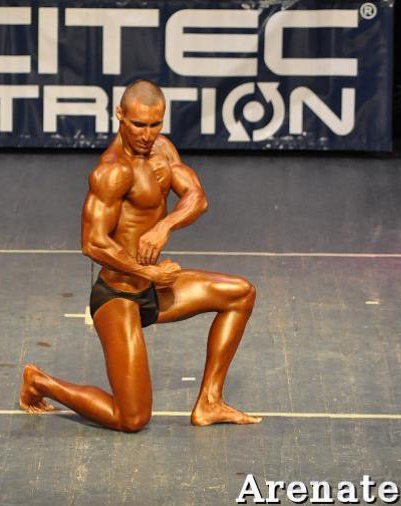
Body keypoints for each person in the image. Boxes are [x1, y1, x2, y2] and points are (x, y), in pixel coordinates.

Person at [19, 80, 262, 432]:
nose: (147, 135)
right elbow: (93, 243)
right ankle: (40, 381)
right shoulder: (112, 171)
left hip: (154, 288)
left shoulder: (163, 149)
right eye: (138, 125)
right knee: (132, 418)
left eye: (155, 124)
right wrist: (148, 273)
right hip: (119, 296)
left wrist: (165, 226)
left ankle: (209, 402)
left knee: (241, 294)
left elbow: (197, 197)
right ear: (120, 114)